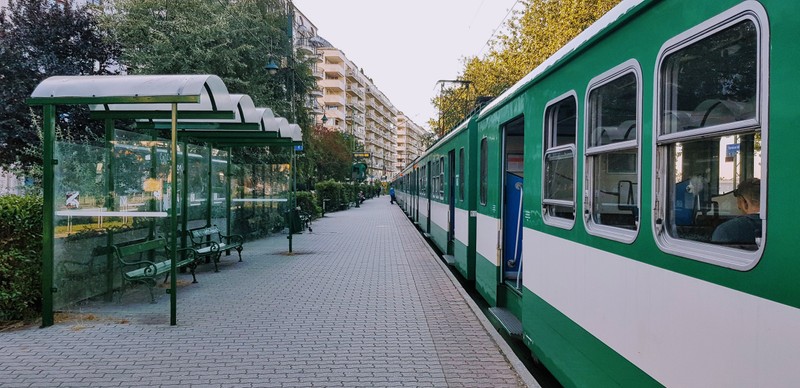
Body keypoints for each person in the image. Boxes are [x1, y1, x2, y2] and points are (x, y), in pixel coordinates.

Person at [711, 178, 761, 245]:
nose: (738, 208)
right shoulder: (777, 226)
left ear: (744, 203)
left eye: (739, 204)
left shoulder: (726, 231)